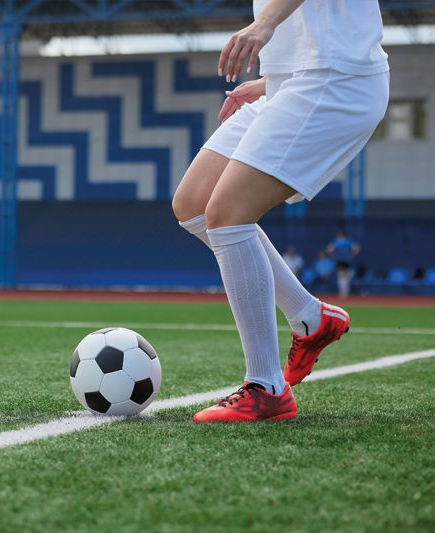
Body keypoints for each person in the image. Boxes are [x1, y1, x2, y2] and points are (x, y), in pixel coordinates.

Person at [171, 0, 388, 422]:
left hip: (337, 81)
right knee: (194, 203)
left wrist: (264, 24)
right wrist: (274, 78)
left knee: (228, 213)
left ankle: (267, 387)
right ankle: (310, 317)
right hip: (294, 82)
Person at [326, 229, 361, 298]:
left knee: (342, 276)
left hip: (341, 261)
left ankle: (343, 293)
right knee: (344, 276)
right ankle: (345, 293)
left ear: (340, 234)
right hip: (345, 260)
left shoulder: (337, 242)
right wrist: (352, 254)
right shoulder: (348, 241)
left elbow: (328, 250)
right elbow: (357, 248)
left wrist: (333, 255)